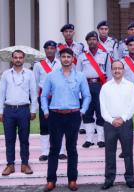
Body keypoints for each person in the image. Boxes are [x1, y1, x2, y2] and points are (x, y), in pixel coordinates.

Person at [41, 48, 91, 191]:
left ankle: (72, 180)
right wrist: (45, 110)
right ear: (60, 58)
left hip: (73, 115)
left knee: (72, 149)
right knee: (54, 149)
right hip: (55, 115)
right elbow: (43, 95)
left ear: (73, 58)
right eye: (63, 56)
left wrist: (82, 111)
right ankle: (51, 180)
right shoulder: (51, 76)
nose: (66, 59)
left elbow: (87, 96)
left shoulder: (80, 76)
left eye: (69, 56)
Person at [0, 49, 37, 176]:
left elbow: (33, 93)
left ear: (24, 59)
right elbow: (1, 93)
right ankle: (10, 165)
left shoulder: (30, 74)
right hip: (9, 110)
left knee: (24, 138)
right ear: (12, 59)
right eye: (16, 57)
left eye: (20, 57)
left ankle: (25, 164)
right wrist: (0, 111)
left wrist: (33, 110)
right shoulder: (6, 74)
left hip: (24, 109)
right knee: (9, 139)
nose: (18, 59)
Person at [100, 60, 134, 190]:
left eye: (119, 68)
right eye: (114, 68)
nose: (117, 70)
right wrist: (111, 120)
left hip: (125, 123)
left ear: (123, 70)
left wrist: (123, 118)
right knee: (109, 153)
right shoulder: (105, 86)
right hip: (109, 124)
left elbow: (133, 106)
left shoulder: (130, 86)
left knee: (128, 153)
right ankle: (109, 179)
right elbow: (103, 107)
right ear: (111, 70)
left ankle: (130, 179)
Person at [76, 31, 111, 149]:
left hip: (100, 85)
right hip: (86, 85)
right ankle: (89, 139)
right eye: (89, 39)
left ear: (97, 41)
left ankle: (101, 139)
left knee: (101, 112)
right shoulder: (82, 56)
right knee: (87, 112)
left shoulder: (105, 55)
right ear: (87, 42)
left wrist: (108, 88)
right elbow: (78, 74)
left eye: (94, 39)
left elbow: (109, 73)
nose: (92, 41)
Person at [33, 40, 67, 161]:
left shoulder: (60, 63)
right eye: (47, 48)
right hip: (44, 98)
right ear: (45, 50)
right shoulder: (38, 65)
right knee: (44, 125)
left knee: (60, 124)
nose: (50, 50)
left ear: (55, 50)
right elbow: (36, 84)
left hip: (58, 98)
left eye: (52, 48)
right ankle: (45, 152)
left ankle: (61, 151)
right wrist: (36, 103)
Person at [57, 23, 85, 134]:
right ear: (63, 33)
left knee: (78, 99)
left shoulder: (80, 46)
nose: (68, 33)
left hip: (76, 76)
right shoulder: (58, 47)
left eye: (70, 31)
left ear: (73, 33)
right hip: (63, 75)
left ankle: (81, 124)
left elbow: (83, 60)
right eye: (66, 32)